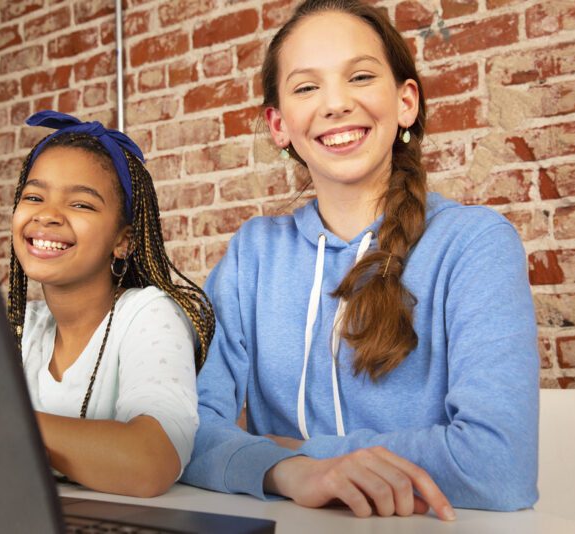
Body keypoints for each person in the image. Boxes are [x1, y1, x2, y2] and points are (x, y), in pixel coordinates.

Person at [181, 0, 539, 520]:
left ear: (406, 101)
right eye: (307, 87)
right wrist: (293, 473)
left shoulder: (475, 244)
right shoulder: (253, 253)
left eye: (361, 77)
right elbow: (180, 432)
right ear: (279, 124)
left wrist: (284, 454)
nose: (335, 104)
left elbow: (497, 466)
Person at [7, 111, 215, 497]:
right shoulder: (20, 329)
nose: (47, 215)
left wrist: (0, 425)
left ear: (124, 241)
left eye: (81, 205)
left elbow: (151, 463)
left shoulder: (148, 314)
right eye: (33, 196)